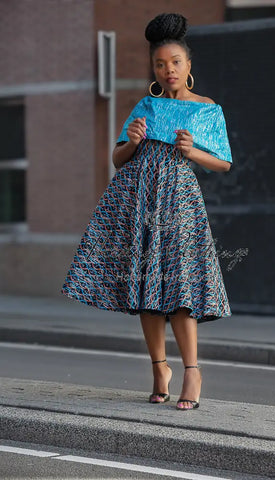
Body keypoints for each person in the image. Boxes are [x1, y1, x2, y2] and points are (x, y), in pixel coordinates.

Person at [60, 12, 233, 411]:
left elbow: (224, 162)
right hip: (135, 199)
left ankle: (192, 371)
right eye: (160, 63)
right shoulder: (145, 105)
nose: (168, 69)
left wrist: (193, 153)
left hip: (179, 202)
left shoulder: (208, 110)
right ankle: (160, 369)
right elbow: (119, 158)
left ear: (188, 66)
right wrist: (133, 142)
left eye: (175, 62)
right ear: (153, 68)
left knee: (181, 286)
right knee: (145, 289)